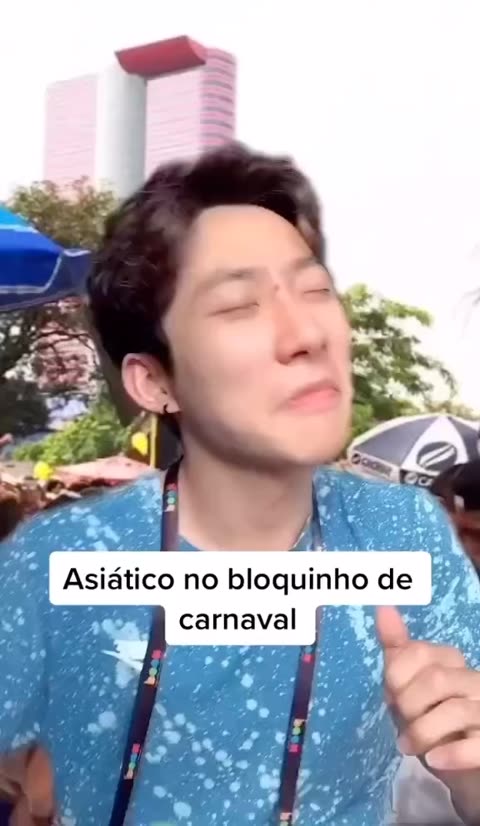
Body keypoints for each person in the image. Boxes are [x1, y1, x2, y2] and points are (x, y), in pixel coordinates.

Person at [0, 143, 479, 826]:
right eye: (238, 305)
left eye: (315, 291)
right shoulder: (61, 561)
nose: (306, 335)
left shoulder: (406, 534)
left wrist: (469, 765)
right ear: (154, 381)